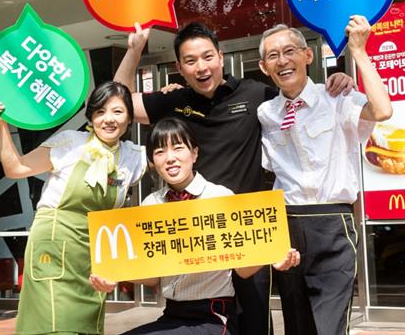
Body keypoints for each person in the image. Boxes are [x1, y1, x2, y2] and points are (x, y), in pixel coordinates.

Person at [113, 22, 355, 335]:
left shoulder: (257, 95)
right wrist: (134, 51)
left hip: (248, 233)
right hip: (197, 237)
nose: (201, 67)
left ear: (221, 57)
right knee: (206, 324)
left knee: (255, 324)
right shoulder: (174, 101)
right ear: (179, 68)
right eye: (190, 61)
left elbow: (297, 93)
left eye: (207, 57)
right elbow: (117, 103)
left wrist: (339, 80)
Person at [91, 117, 300, 334]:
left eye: (178, 148)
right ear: (153, 161)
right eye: (160, 152)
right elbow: (152, 277)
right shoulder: (151, 204)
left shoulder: (220, 197)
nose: (170, 158)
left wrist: (272, 255)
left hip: (215, 315)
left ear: (194, 153)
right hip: (172, 314)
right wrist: (115, 274)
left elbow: (242, 270)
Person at [256, 15, 392, 335]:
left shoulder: (336, 97)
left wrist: (359, 52)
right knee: (297, 324)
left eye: (290, 51)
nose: (282, 60)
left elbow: (382, 110)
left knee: (330, 326)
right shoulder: (265, 113)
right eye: (273, 55)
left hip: (333, 223)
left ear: (308, 55)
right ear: (263, 67)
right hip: (287, 225)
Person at [0, 81, 146, 335]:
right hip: (54, 243)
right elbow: (16, 168)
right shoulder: (70, 142)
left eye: (117, 111)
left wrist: (173, 99)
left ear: (130, 118)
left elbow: (174, 159)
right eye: (100, 112)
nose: (108, 119)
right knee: (52, 324)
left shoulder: (132, 156)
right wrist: (1, 124)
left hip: (94, 252)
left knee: (86, 326)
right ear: (91, 117)